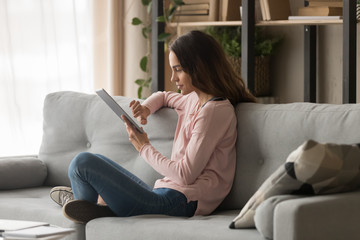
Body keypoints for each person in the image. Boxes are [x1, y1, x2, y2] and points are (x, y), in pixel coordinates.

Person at [50, 30, 256, 223]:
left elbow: (186, 174)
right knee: (86, 164)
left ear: (199, 68)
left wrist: (144, 147)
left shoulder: (215, 110)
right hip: (164, 192)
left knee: (82, 163)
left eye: (178, 70)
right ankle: (96, 207)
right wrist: (146, 108)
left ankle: (89, 204)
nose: (173, 78)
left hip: (182, 202)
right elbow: (164, 96)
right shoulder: (193, 98)